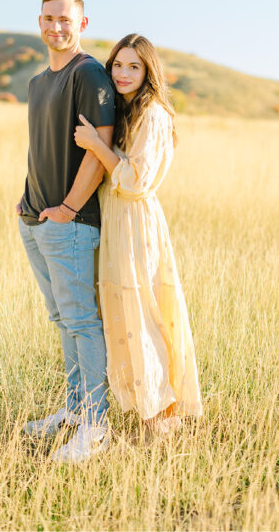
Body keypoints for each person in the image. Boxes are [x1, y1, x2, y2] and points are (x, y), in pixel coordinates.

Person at [73, 33, 202, 437]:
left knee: (143, 315)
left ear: (148, 72)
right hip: (116, 222)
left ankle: (161, 418)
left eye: (134, 66)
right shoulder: (126, 111)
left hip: (135, 221)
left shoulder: (154, 115)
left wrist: (96, 145)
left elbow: (134, 180)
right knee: (124, 314)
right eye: (118, 65)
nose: (123, 73)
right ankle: (151, 411)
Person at [17, 0, 116, 462]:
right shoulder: (38, 82)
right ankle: (75, 410)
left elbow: (99, 149)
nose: (57, 27)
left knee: (81, 321)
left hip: (72, 223)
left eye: (66, 19)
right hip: (34, 218)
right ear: (40, 22)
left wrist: (70, 209)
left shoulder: (89, 74)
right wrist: (27, 204)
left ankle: (95, 426)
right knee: (62, 320)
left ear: (83, 24)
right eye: (49, 19)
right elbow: (42, 148)